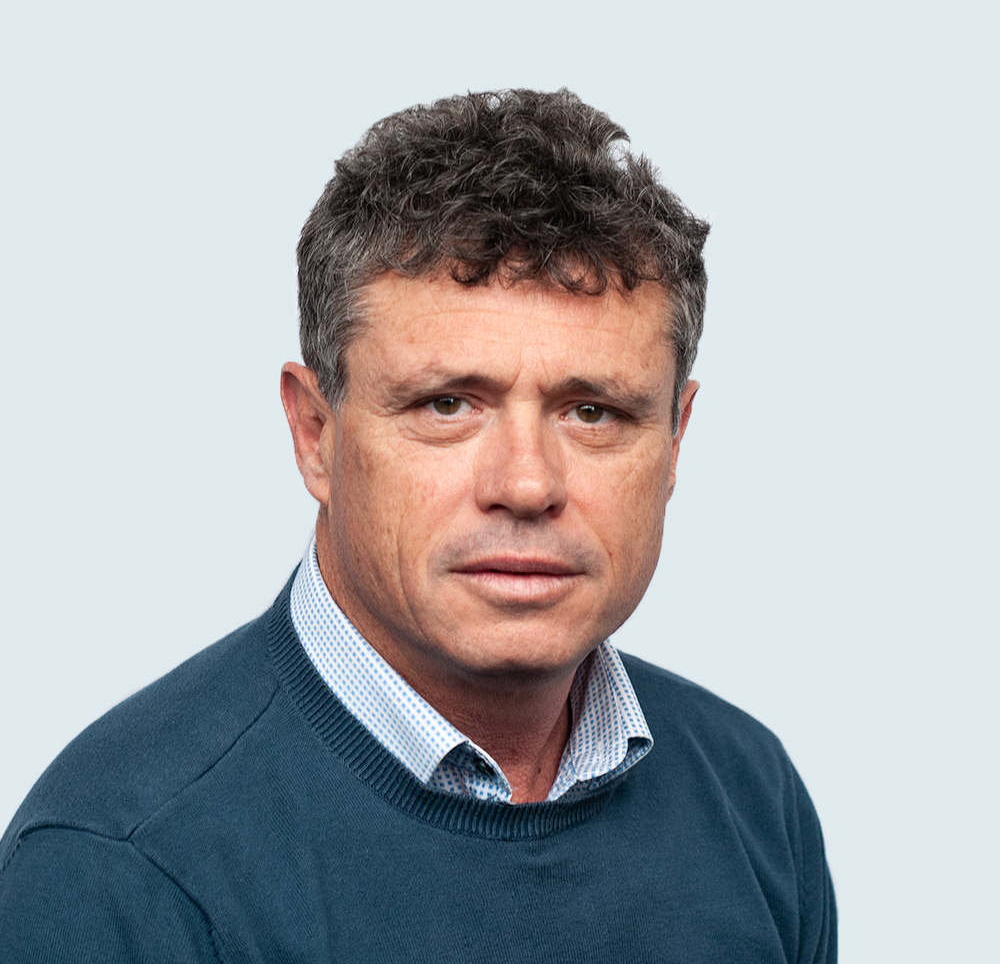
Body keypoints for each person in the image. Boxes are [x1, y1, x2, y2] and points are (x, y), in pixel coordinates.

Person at [0, 89, 836, 962]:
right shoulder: (117, 870)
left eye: (593, 412)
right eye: (447, 404)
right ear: (315, 433)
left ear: (674, 442)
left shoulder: (753, 801)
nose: (527, 483)